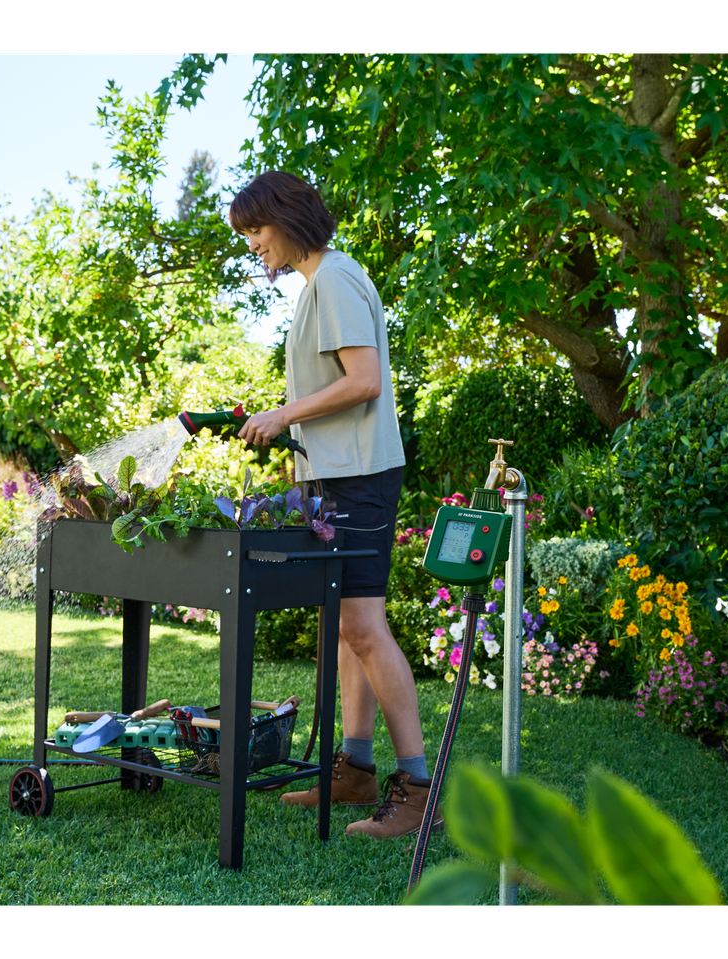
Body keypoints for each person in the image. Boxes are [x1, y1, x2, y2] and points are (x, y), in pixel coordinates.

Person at [230, 171, 438, 840]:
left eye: (256, 229)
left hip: (359, 478)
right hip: (338, 477)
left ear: (288, 219)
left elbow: (364, 380)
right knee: (345, 628)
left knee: (365, 628)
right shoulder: (318, 284)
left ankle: (419, 790)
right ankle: (356, 768)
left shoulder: (336, 278)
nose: (252, 243)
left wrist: (283, 413)